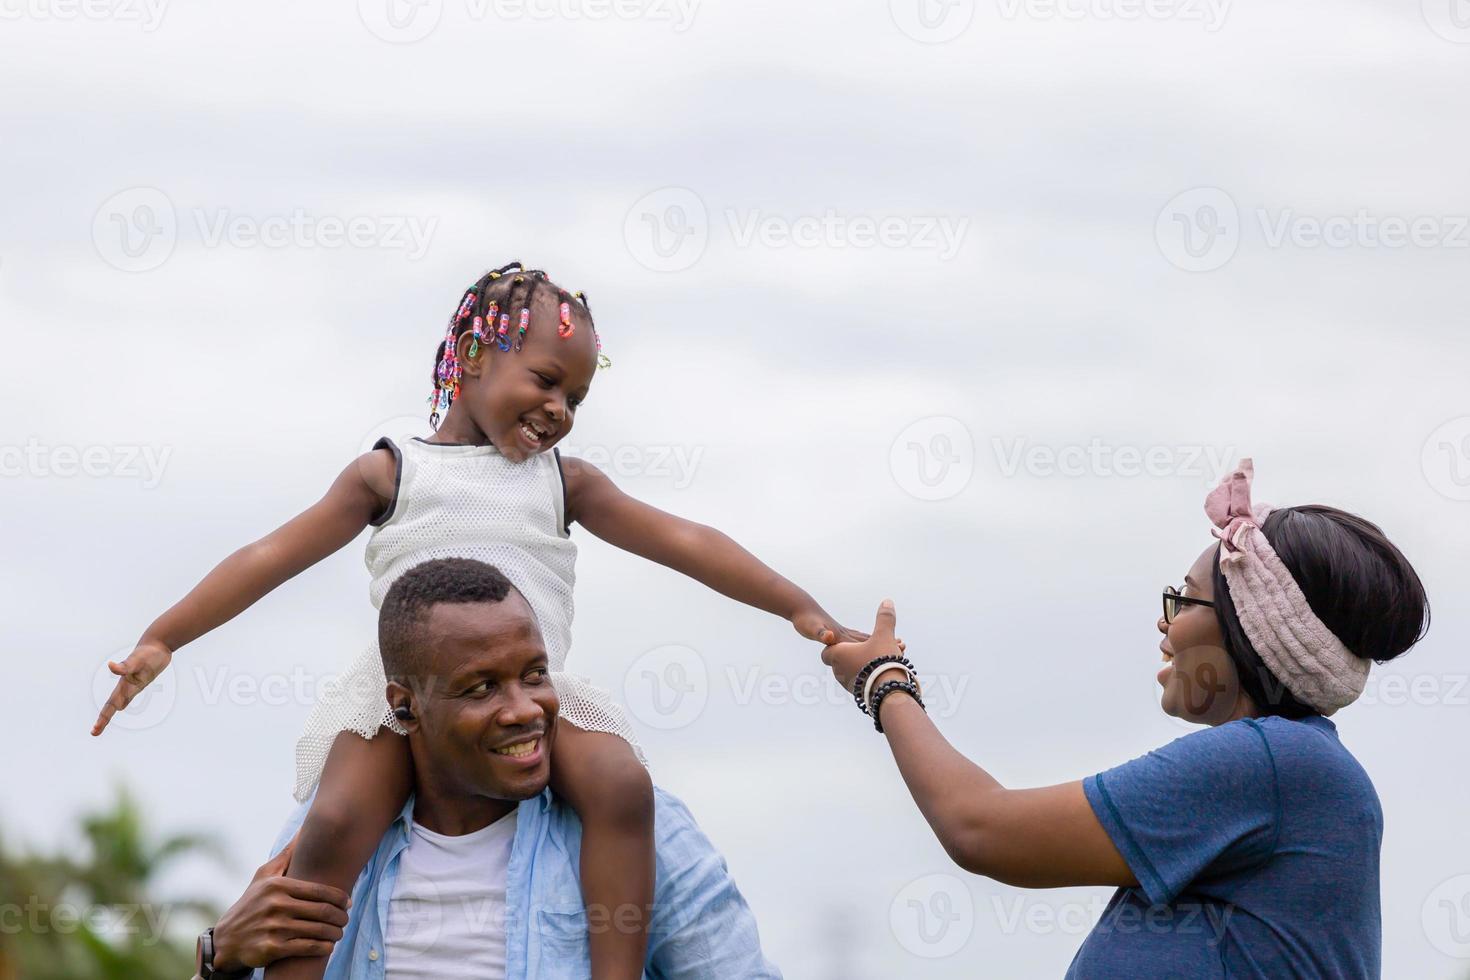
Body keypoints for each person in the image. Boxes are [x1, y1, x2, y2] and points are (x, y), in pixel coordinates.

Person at [96, 261, 861, 980]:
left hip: (534, 690)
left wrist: (801, 608)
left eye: (577, 399)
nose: (559, 409)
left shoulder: (567, 484)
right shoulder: (393, 472)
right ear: (472, 354)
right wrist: (164, 636)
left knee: (623, 785)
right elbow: (269, 556)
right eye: (546, 380)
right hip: (403, 700)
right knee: (331, 823)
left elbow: (687, 543)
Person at [820, 459, 1429, 978]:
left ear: (1252, 630)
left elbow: (980, 829)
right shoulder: (1291, 770)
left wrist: (886, 682)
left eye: (1184, 600)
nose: (1166, 623)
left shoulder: (1272, 763)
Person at [193, 557, 781, 979]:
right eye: (481, 688)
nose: (525, 711)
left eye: (534, 675)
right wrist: (218, 957)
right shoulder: (333, 837)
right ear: (405, 707)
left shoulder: (642, 830)